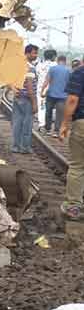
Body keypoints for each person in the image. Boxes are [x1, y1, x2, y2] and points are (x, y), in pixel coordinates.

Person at [59, 61, 84, 219]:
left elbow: (73, 100)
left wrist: (64, 124)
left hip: (82, 123)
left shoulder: (80, 72)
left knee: (77, 166)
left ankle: (74, 207)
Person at [11, 44, 39, 154]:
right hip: (27, 99)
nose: (36, 55)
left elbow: (10, 79)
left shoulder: (18, 66)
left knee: (17, 123)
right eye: (34, 53)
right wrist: (34, 103)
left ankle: (15, 147)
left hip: (18, 98)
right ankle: (25, 147)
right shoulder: (30, 68)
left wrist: (13, 89)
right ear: (27, 53)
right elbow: (30, 87)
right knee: (27, 124)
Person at [42, 55, 71, 136]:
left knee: (48, 112)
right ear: (65, 61)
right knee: (59, 114)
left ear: (58, 60)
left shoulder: (52, 69)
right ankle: (56, 131)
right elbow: (69, 84)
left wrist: (42, 91)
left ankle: (47, 129)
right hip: (63, 96)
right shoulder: (68, 71)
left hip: (51, 94)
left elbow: (47, 80)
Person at [37, 49, 57, 127]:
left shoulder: (39, 65)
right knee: (50, 108)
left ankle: (41, 124)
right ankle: (48, 125)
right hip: (51, 89)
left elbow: (37, 75)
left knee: (41, 107)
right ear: (53, 56)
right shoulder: (55, 65)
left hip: (40, 89)